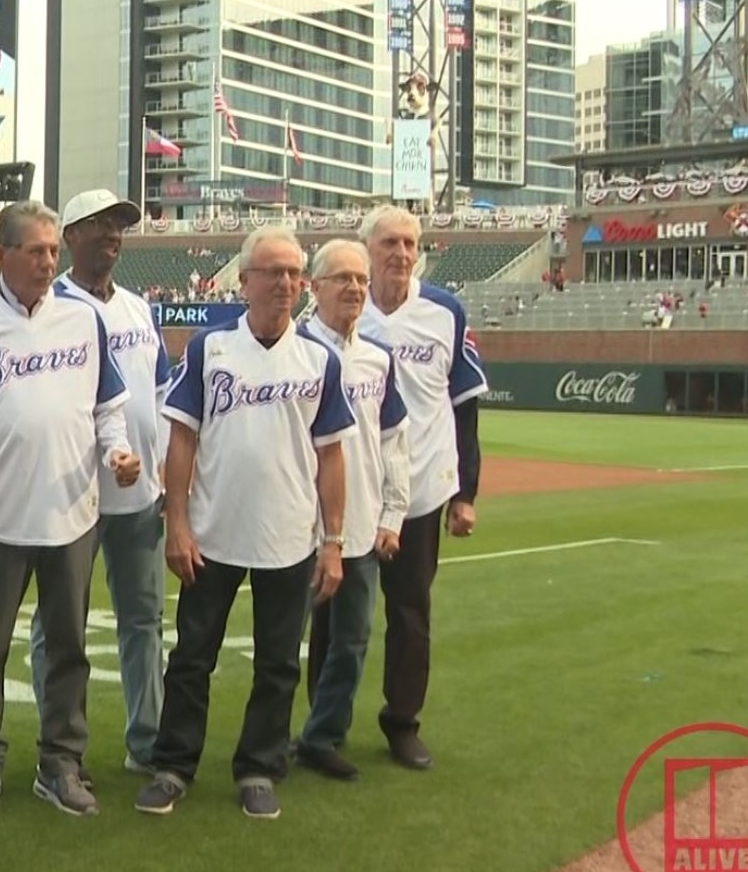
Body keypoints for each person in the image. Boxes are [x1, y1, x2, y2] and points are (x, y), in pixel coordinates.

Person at [135, 225, 353, 820]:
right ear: (245, 279)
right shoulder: (211, 349)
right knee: (191, 659)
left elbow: (332, 455)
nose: (284, 283)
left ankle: (259, 767)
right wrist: (176, 522)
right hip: (213, 534)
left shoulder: (318, 359)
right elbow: (181, 439)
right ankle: (174, 764)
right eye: (272, 272)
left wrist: (333, 543)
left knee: (278, 663)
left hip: (288, 538)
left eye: (293, 273)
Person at [0, 200, 141, 819]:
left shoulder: (84, 320)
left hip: (72, 512)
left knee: (68, 646)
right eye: (35, 251)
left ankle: (61, 762)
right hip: (1, 515)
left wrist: (117, 452)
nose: (48, 262)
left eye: (54, 251)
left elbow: (107, 406)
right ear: (0, 255)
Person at [25, 189, 171, 777]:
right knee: (61, 629)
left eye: (120, 225)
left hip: (140, 497)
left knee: (144, 620)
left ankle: (148, 741)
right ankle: (61, 746)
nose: (114, 234)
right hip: (76, 496)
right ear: (72, 237)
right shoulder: (51, 306)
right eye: (102, 225)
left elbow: (159, 393)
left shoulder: (137, 307)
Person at [355, 205, 487, 771]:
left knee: (410, 613)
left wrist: (466, 493)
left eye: (410, 243)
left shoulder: (444, 312)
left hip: (422, 490)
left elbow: (465, 409)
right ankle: (323, 723)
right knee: (337, 614)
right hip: (356, 490)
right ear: (367, 250)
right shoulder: (341, 306)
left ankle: (402, 723)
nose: (401, 254)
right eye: (389, 243)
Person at [295, 239, 411, 782]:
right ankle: (269, 742)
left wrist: (394, 513)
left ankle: (322, 735)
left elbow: (394, 442)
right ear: (313, 287)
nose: (355, 289)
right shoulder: (292, 350)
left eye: (361, 280)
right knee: (282, 642)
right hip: (295, 524)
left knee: (352, 640)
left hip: (359, 526)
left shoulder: (377, 358)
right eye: (342, 278)